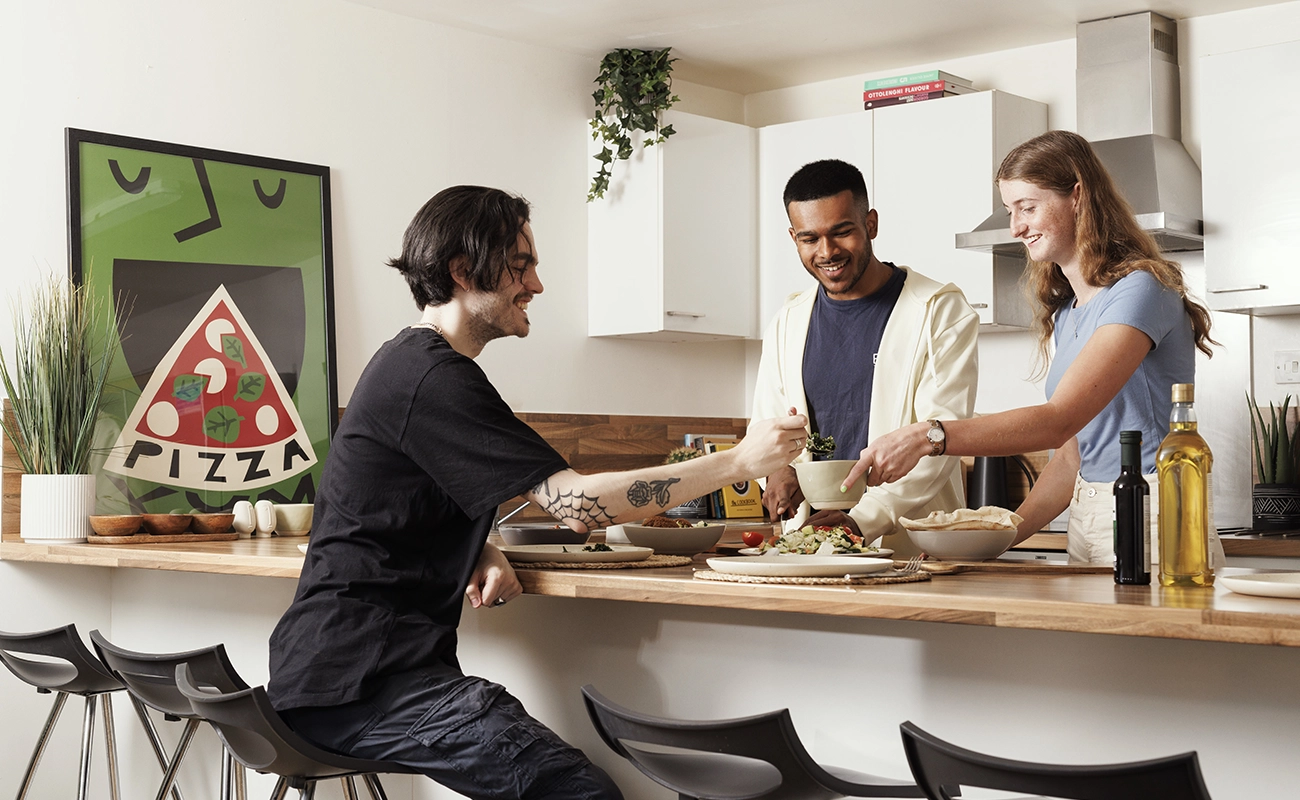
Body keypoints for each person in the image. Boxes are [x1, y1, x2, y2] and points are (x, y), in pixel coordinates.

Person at [266, 185, 808, 800]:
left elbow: (398, 503)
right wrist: (738, 460)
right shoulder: (434, 377)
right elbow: (579, 507)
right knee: (582, 794)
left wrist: (474, 546)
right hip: (361, 684)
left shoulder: (409, 364)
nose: (537, 286)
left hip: (340, 672)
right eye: (521, 266)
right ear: (464, 271)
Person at [842, 130, 1222, 565]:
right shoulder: (1069, 313)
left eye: (1028, 207)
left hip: (1153, 510)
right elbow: (1070, 456)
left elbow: (1058, 421)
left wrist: (930, 435)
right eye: (1010, 210)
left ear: (1077, 196)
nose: (1016, 226)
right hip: (1091, 513)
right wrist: (993, 538)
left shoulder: (1140, 291)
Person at [750, 159, 979, 556]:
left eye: (842, 232)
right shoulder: (788, 321)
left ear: (870, 224)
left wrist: (860, 522)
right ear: (794, 238)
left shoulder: (938, 309)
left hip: (914, 553)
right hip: (809, 546)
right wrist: (777, 469)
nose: (827, 252)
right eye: (809, 238)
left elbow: (940, 439)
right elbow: (766, 427)